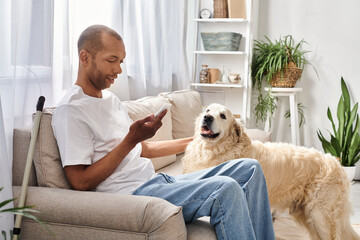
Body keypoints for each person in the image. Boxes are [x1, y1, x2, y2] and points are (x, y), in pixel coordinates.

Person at [52, 24, 275, 240]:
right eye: (112, 60)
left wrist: (196, 139)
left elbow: (142, 149)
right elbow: (80, 181)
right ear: (85, 57)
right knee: (226, 189)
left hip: (157, 182)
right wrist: (131, 140)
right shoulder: (72, 109)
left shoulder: (111, 100)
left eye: (121, 61)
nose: (119, 70)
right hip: (132, 196)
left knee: (250, 168)